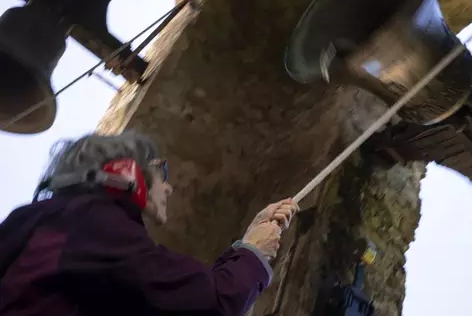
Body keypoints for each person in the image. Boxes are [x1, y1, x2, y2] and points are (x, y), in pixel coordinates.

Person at [0, 132, 299, 315]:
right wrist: (252, 253)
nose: (167, 188)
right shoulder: (94, 222)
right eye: (161, 173)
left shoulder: (41, 221)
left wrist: (244, 248)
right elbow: (208, 303)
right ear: (126, 172)